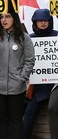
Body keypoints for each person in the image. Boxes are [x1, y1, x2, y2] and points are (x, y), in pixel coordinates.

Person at [0, 12, 35, 139]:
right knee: (1, 119)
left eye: (8, 16)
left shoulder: (24, 37)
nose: (4, 20)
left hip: (16, 86)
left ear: (15, 18)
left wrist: (22, 78)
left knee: (16, 120)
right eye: (1, 17)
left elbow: (30, 60)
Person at [23, 9, 57, 139]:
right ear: (34, 22)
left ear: (50, 21)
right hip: (37, 86)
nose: (43, 23)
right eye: (39, 21)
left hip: (54, 85)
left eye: (45, 20)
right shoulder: (29, 39)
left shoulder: (57, 36)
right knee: (29, 112)